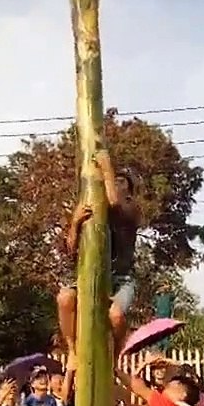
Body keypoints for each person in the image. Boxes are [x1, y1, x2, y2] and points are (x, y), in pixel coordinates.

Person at [57, 150, 141, 362]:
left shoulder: (131, 209)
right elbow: (70, 249)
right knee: (65, 298)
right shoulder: (94, 211)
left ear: (129, 192)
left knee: (116, 316)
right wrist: (75, 223)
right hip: (91, 274)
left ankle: (114, 358)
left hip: (121, 279)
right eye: (115, 179)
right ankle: (73, 351)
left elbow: (113, 201)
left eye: (121, 181)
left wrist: (106, 166)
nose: (113, 181)